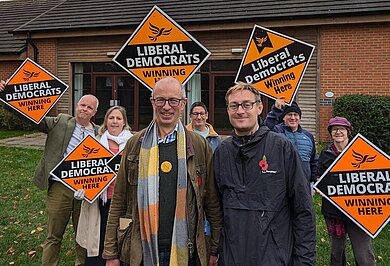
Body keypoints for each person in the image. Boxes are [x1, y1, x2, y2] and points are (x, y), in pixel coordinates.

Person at [103, 76, 222, 266]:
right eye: (160, 100)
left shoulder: (199, 145)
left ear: (183, 104)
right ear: (152, 102)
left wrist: (214, 247)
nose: (166, 107)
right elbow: (119, 199)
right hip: (142, 250)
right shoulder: (135, 144)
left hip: (187, 251)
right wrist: (110, 252)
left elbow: (211, 201)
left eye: (173, 100)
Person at [214, 82, 316, 265]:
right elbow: (216, 210)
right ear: (228, 110)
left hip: (273, 257)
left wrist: (304, 261)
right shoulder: (222, 152)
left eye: (247, 104)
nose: (240, 111)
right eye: (234, 106)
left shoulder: (282, 148)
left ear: (259, 107)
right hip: (232, 258)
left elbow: (303, 210)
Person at [0, 79, 98, 266]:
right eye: (82, 105)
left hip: (86, 190)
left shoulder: (100, 133)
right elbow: (31, 117)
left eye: (89, 107)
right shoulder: (60, 121)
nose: (85, 109)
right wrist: (6, 97)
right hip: (61, 186)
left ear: (94, 112)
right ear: (77, 106)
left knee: (83, 235)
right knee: (54, 234)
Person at [74, 106, 133, 265]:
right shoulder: (93, 143)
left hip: (124, 203)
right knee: (97, 242)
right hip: (100, 202)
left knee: (122, 242)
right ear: (105, 122)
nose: (114, 121)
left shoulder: (133, 144)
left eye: (118, 118)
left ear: (124, 122)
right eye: (111, 118)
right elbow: (84, 171)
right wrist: (81, 187)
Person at [319, 116, 376, 266]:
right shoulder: (325, 154)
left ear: (348, 132)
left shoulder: (362, 151)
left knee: (363, 253)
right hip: (333, 210)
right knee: (336, 252)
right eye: (334, 129)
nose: (338, 132)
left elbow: (375, 177)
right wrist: (321, 187)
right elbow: (319, 177)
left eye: (342, 129)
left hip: (358, 210)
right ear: (331, 133)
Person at [265, 97, 318, 187]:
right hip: (281, 183)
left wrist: (313, 180)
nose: (293, 118)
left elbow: (313, 160)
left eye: (295, 115)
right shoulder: (276, 131)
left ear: (299, 118)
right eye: (289, 114)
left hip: (303, 183)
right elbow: (267, 126)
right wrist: (276, 109)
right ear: (283, 118)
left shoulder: (308, 136)